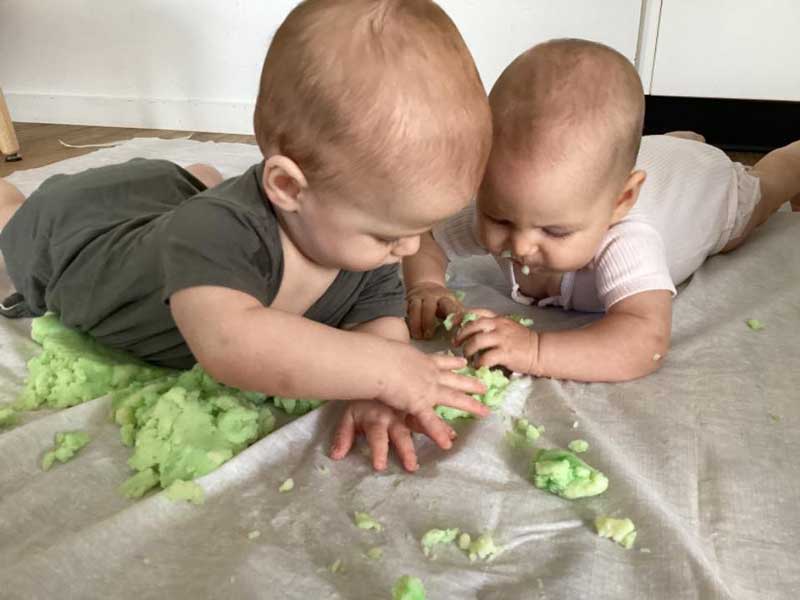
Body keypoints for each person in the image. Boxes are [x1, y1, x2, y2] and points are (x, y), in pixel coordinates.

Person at [0, 0, 494, 471]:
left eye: (416, 231)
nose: (408, 251)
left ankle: (194, 179)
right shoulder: (217, 232)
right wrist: (384, 370)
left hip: (172, 211)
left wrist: (375, 390)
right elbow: (229, 343)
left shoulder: (368, 249)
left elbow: (380, 326)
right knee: (21, 229)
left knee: (188, 196)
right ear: (287, 186)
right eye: (389, 234)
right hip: (83, 237)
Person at [404, 38, 800, 382]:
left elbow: (645, 342)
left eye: (555, 232)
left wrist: (535, 349)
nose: (521, 246)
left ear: (620, 203)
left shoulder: (627, 239)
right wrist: (428, 285)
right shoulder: (515, 200)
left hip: (709, 193)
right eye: (499, 218)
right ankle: (678, 142)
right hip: (653, 164)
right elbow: (426, 238)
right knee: (613, 157)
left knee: (770, 184)